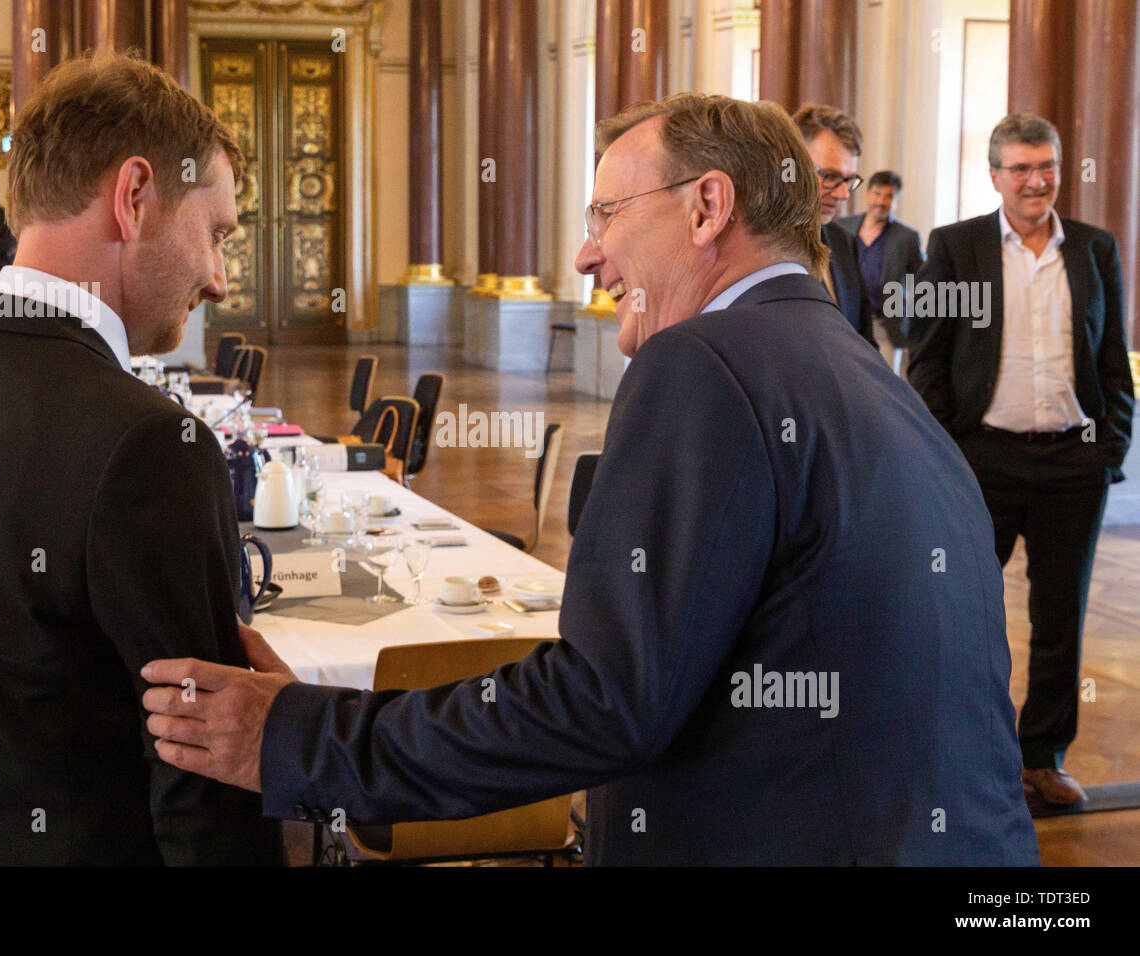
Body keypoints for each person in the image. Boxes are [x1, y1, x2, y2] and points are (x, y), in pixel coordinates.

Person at [142, 93, 1039, 866]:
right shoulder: (867, 380)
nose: (584, 256)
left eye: (605, 214)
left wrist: (299, 736)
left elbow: (602, 702)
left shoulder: (705, 364)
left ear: (706, 208)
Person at [0, 51, 285, 865]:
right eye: (216, 232)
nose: (220, 277)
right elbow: (205, 782)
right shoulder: (151, 442)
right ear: (134, 197)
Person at [909, 113, 1134, 807]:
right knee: (961, 609)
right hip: (983, 461)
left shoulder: (1095, 249)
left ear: (1060, 170)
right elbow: (928, 359)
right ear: (995, 175)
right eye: (1020, 168)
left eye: (1047, 166)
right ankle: (958, 751)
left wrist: (1109, 446)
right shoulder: (954, 247)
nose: (1036, 181)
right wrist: (949, 453)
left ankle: (1042, 758)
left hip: (1073, 463)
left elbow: (1111, 361)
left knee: (1060, 618)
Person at [792, 103, 877, 350]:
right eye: (829, 176)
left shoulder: (843, 242)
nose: (842, 194)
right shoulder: (758, 246)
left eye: (848, 180)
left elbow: (864, 339)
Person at [837, 170, 924, 373]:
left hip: (886, 327)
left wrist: (912, 326)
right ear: (867, 194)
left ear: (896, 200)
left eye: (888, 196)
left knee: (883, 382)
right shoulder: (842, 227)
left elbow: (922, 284)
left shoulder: (907, 237)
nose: (881, 201)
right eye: (877, 194)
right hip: (846, 320)